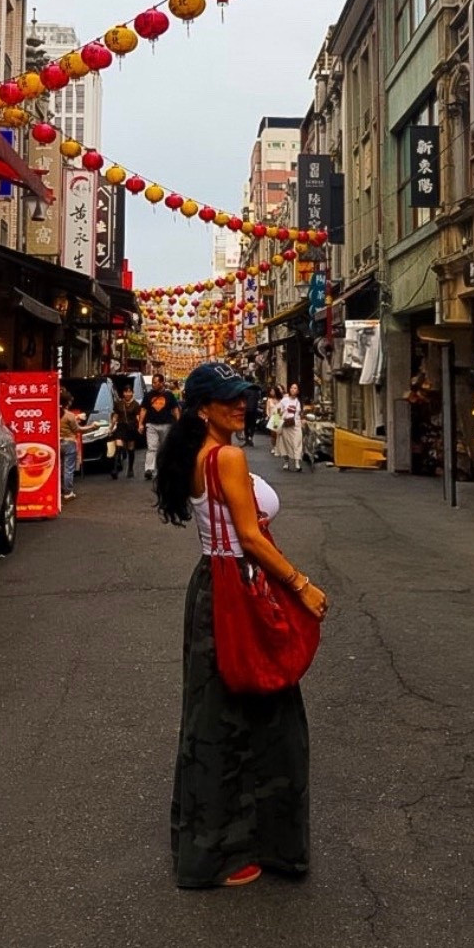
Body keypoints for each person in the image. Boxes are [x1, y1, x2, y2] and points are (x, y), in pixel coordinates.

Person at [156, 359, 328, 889]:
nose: (241, 405)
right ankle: (250, 846)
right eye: (227, 398)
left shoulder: (194, 455)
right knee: (267, 715)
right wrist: (301, 584)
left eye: (242, 396)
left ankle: (212, 846)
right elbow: (250, 537)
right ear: (202, 408)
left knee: (213, 717)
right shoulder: (226, 457)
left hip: (211, 588)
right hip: (240, 588)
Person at [140, 372, 180, 480]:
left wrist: (178, 422)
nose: (153, 384)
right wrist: (140, 424)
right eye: (153, 382)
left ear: (162, 383)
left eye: (156, 382)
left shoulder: (169, 395)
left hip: (166, 425)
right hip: (151, 425)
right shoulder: (148, 395)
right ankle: (149, 469)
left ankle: (165, 469)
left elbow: (175, 409)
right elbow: (143, 409)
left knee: (165, 448)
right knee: (151, 448)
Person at [110, 383, 142, 479]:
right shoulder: (119, 403)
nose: (127, 394)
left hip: (131, 428)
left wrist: (140, 426)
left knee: (130, 448)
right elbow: (115, 416)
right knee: (118, 447)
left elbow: (138, 417)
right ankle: (115, 469)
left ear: (132, 393)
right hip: (121, 427)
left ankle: (130, 469)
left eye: (129, 392)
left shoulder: (136, 404)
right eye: (126, 392)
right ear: (123, 393)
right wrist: (111, 427)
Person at [276, 382, 304, 472]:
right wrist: (275, 424)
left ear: (298, 391)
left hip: (296, 425)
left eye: (295, 388)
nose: (293, 389)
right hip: (286, 425)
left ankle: (297, 463)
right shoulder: (284, 400)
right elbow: (278, 411)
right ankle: (286, 462)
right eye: (292, 387)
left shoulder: (299, 401)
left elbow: (301, 413)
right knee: (285, 444)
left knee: (297, 443)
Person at [59, 392, 81, 500]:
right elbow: (77, 430)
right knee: (68, 469)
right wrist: (92, 426)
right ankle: (68, 492)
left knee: (59, 468)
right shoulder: (70, 415)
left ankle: (59, 490)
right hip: (69, 443)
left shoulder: (54, 413)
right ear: (68, 402)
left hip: (57, 443)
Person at [242, 378, 261, 447]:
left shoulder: (244, 389)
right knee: (252, 424)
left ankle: (247, 439)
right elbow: (258, 398)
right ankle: (250, 437)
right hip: (254, 409)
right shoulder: (256, 390)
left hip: (246, 409)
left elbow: (242, 399)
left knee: (246, 424)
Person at [264, 384, 283, 453]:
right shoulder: (269, 400)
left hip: (279, 417)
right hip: (272, 417)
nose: (271, 392)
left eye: (273, 391)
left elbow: (282, 408)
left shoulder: (281, 400)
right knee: (273, 434)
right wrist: (268, 416)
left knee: (279, 433)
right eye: (271, 391)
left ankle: (279, 447)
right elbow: (267, 409)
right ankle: (274, 447)